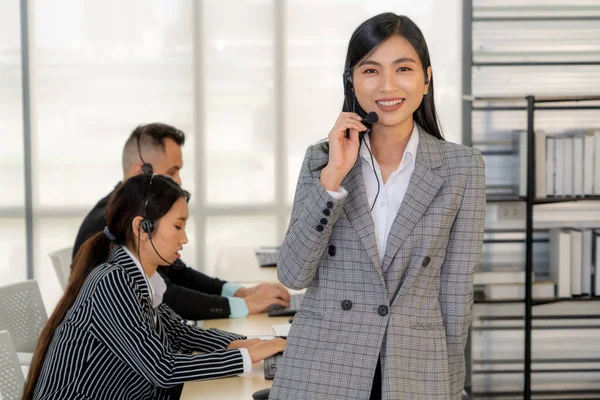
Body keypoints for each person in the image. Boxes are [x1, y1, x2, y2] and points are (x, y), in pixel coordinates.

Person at [269, 13, 485, 400]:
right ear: (351, 80)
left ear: (427, 78)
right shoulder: (322, 160)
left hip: (417, 370)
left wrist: (451, 388)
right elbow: (293, 273)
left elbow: (455, 293)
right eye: (371, 69)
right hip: (324, 368)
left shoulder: (463, 168)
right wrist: (333, 176)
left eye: (403, 68)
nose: (387, 85)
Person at [24, 174, 286, 400]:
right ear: (142, 227)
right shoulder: (112, 282)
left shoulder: (138, 279)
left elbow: (181, 334)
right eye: (177, 226)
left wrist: (246, 344)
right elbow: (163, 368)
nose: (184, 238)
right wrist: (244, 358)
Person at [72, 123, 290, 320]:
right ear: (143, 171)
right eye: (172, 171)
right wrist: (241, 305)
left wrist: (237, 292)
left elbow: (177, 272)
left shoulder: (130, 212)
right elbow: (164, 298)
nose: (178, 181)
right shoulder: (112, 222)